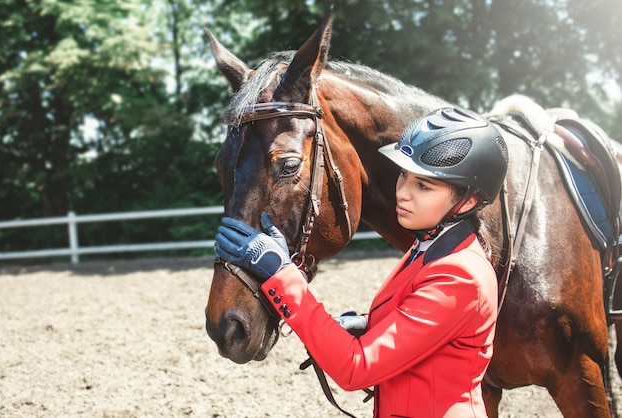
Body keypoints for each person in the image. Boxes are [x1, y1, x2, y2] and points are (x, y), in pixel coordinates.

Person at [214, 107, 509, 418]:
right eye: (404, 176)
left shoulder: (459, 275)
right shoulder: (430, 245)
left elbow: (356, 368)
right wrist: (371, 324)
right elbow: (429, 326)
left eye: (423, 186)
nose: (403, 194)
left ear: (470, 200)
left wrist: (282, 274)